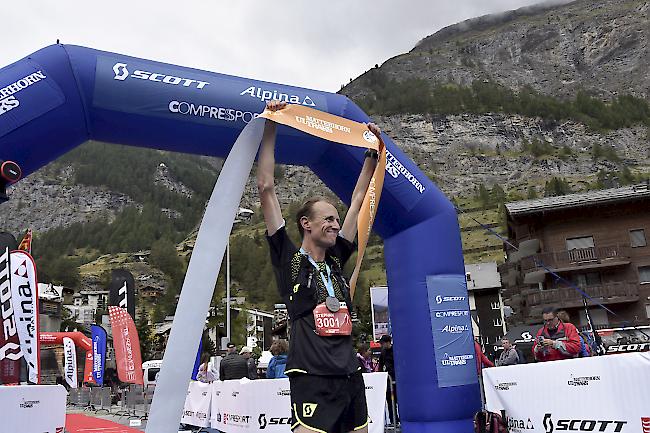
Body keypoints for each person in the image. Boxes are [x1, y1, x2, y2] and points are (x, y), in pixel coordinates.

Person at [258, 100, 380, 433]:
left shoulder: (337, 258)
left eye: (336, 221)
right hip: (311, 379)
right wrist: (271, 123)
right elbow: (266, 188)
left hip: (350, 376)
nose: (335, 225)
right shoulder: (288, 258)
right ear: (306, 224)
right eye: (328, 219)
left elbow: (357, 200)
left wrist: (373, 152)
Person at [378, 335, 397, 426]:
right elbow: (380, 365)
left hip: (395, 380)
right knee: (389, 400)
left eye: (383, 343)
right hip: (387, 380)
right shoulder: (383, 352)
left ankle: (400, 419)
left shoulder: (395, 351)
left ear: (388, 342)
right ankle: (393, 420)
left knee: (397, 400)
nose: (382, 345)